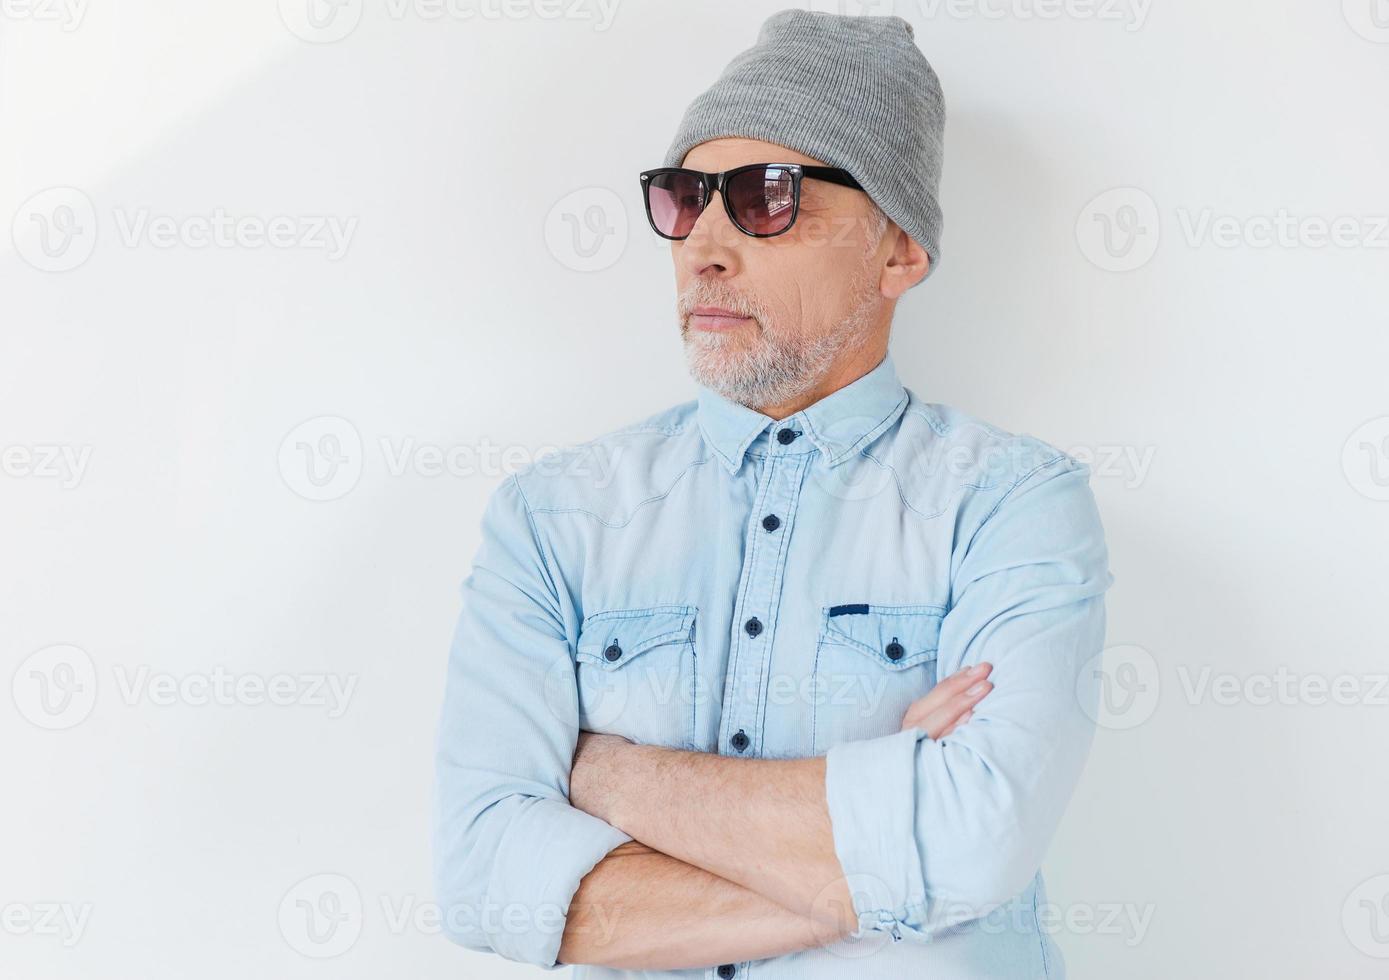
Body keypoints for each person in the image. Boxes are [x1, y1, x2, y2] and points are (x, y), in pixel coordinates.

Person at [433, 9, 1112, 977]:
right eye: (682, 198)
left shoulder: (1010, 505)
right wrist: (879, 854)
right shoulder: (553, 518)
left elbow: (973, 842)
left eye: (766, 197)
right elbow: (482, 874)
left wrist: (604, 772)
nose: (703, 244)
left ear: (898, 251)